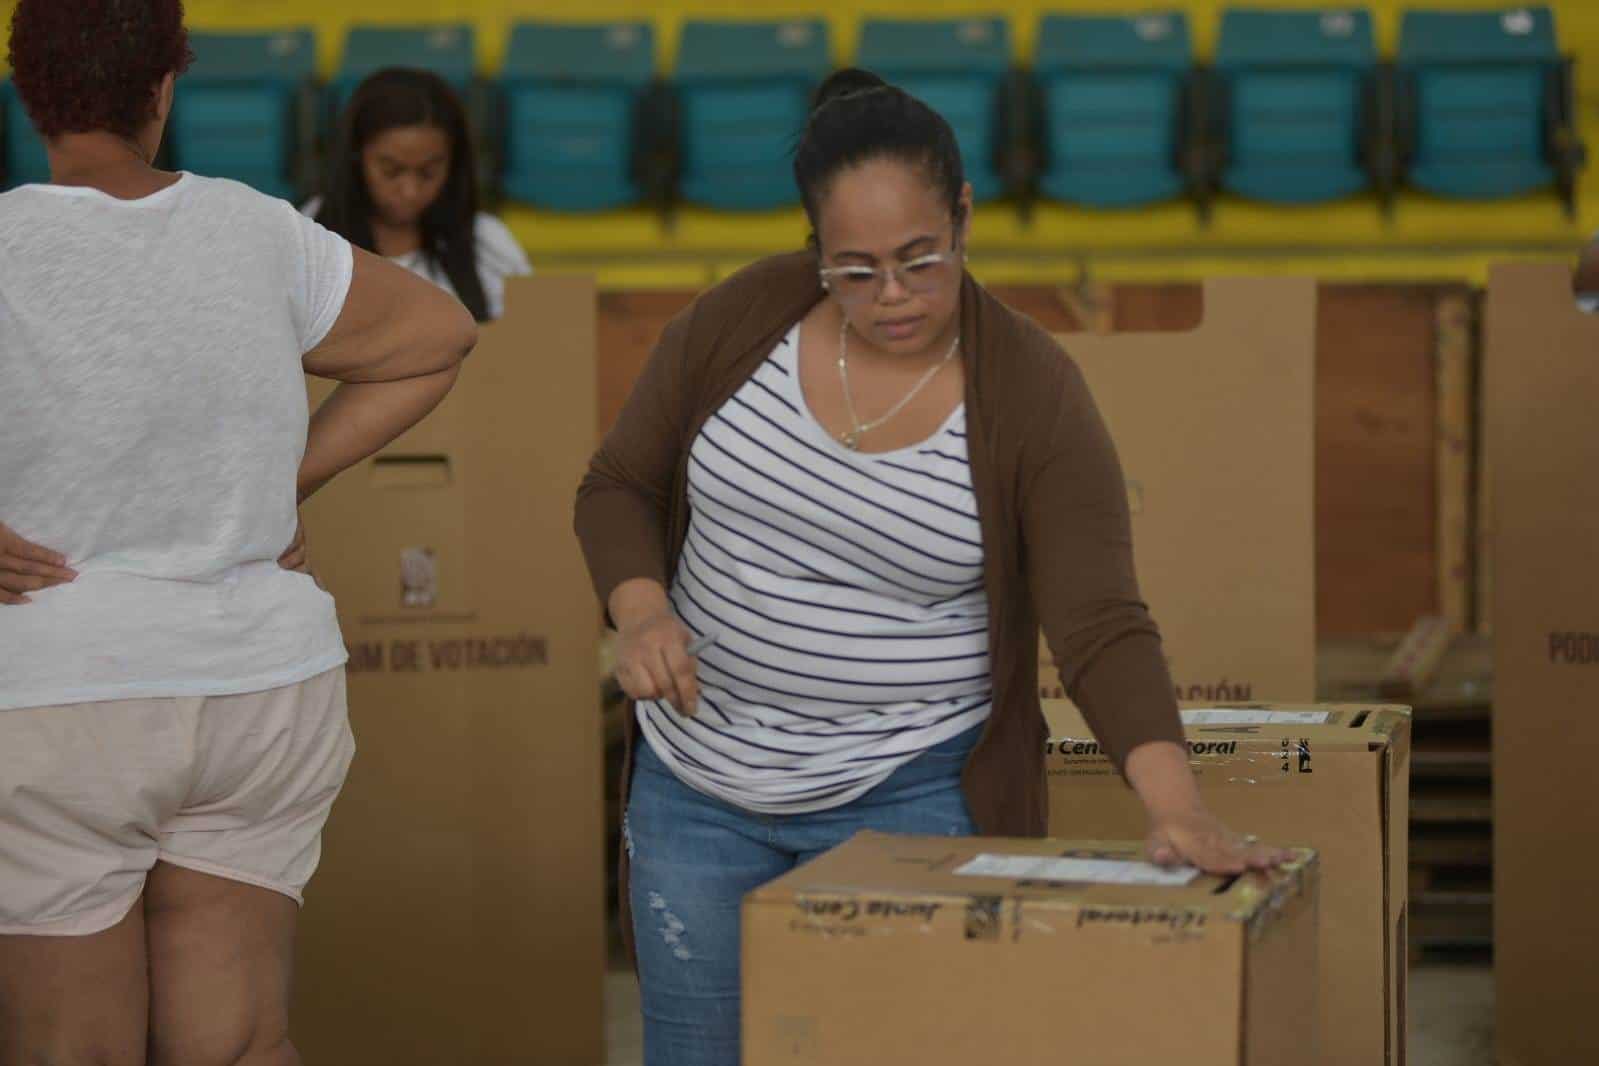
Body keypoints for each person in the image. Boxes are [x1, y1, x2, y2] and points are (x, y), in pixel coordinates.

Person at [574, 69, 1288, 1066]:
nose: (895, 297)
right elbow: (618, 486)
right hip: (696, 786)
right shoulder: (737, 324)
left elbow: (1100, 624)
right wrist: (643, 608)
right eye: (855, 270)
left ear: (963, 213)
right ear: (813, 246)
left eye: (920, 258)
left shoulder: (1032, 392)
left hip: (910, 794)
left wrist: (1176, 807)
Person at [0, 2, 477, 1063]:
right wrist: (284, 478)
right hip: (259, 686)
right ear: (166, 85)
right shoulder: (258, 229)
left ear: (27, 94)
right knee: (239, 1042)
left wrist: (274, 475)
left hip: (54, 696)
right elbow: (439, 336)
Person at [308, 67, 531, 322]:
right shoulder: (311, 236)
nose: (410, 191)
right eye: (391, 171)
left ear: (454, 164)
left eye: (428, 172)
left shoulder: (488, 243)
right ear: (355, 157)